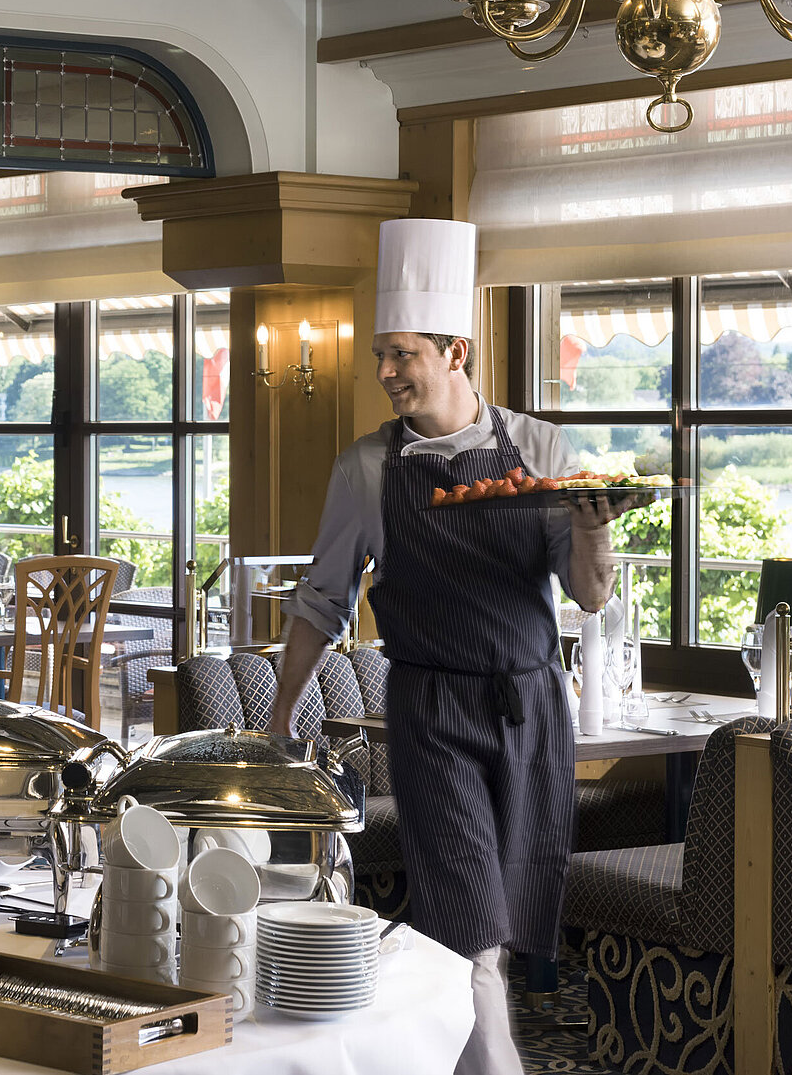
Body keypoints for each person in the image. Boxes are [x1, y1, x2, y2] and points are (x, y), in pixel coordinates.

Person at [267, 219, 643, 1075]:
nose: (386, 373)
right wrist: (285, 714)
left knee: (498, 933)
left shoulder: (541, 447)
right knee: (469, 929)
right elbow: (322, 602)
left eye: (401, 354)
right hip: (432, 713)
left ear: (455, 349)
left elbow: (587, 593)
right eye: (379, 355)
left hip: (532, 707)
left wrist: (594, 531)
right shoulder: (367, 467)